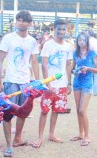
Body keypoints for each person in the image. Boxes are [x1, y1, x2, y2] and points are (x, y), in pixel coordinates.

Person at [0, 10, 40, 157]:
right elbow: (0, 59)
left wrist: (37, 82)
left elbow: (34, 61)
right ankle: (9, 145)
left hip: (25, 82)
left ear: (29, 23)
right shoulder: (8, 38)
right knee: (7, 113)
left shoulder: (32, 41)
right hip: (10, 81)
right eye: (18, 20)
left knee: (23, 112)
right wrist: (0, 81)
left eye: (24, 20)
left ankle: (17, 138)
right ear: (16, 22)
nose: (21, 22)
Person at [30, 19, 73, 148]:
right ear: (54, 30)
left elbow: (68, 64)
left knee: (56, 110)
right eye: (59, 29)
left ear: (67, 31)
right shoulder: (48, 45)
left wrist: (69, 83)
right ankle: (40, 137)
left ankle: (51, 134)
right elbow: (44, 65)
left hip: (62, 85)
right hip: (50, 84)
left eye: (63, 29)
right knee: (44, 110)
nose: (61, 31)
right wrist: (48, 84)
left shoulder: (67, 47)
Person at [70, 32, 97, 146]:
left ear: (87, 41)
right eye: (79, 40)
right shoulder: (75, 53)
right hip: (77, 82)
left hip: (87, 83)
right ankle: (80, 133)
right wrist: (75, 72)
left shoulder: (92, 53)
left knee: (82, 110)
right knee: (78, 110)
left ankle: (87, 136)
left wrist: (88, 68)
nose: (81, 42)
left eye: (83, 40)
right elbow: (72, 69)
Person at [87, 29, 97, 96]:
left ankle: (90, 90)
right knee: (96, 76)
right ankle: (95, 91)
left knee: (89, 75)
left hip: (91, 59)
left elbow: (89, 50)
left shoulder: (89, 41)